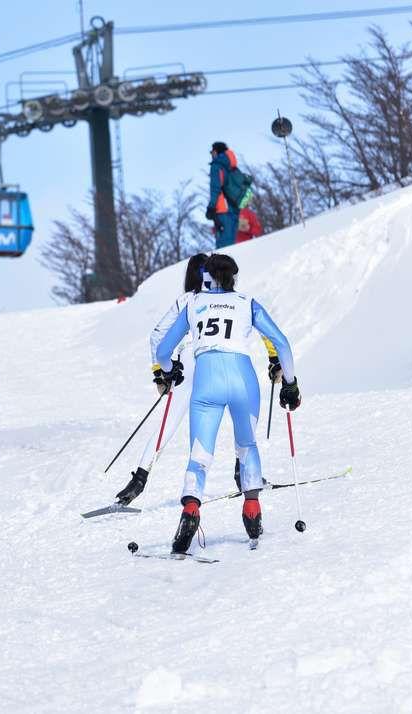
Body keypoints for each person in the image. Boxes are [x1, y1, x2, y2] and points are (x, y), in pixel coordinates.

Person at [153, 254, 301, 555]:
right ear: (233, 277)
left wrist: (169, 370)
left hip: (207, 380)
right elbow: (282, 343)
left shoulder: (193, 304)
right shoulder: (247, 302)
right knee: (247, 445)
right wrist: (290, 383)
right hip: (243, 380)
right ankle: (251, 509)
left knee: (199, 454)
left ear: (207, 277)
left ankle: (191, 509)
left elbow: (163, 349)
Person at [115, 254, 283, 506]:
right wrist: (274, 360)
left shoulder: (186, 299)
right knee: (243, 419)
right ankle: (245, 475)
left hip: (185, 364)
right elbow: (267, 334)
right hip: (218, 362)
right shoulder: (232, 299)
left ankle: (137, 482)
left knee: (167, 425)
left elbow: (157, 335)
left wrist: (160, 373)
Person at [206, 142, 241, 249]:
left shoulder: (216, 166)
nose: (211, 154)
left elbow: (215, 187)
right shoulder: (232, 166)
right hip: (235, 208)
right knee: (232, 243)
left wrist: (211, 207)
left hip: (222, 210)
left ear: (216, 151)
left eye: (212, 152)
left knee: (223, 247)